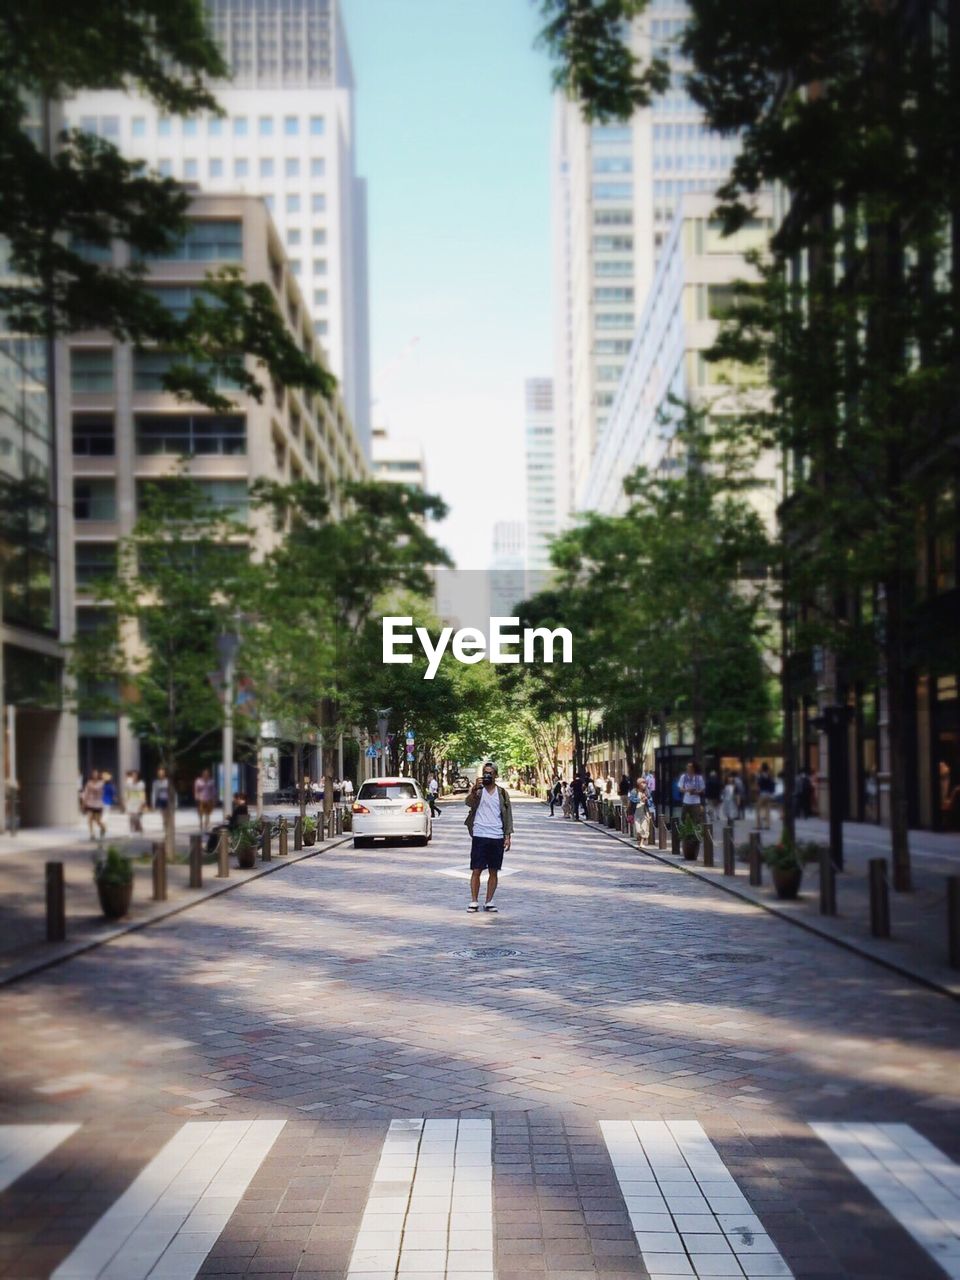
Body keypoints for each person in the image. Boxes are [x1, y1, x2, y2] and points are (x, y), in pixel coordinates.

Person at [463, 762, 513, 913]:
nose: (487, 776)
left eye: (490, 773)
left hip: (496, 834)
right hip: (480, 833)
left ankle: (489, 901)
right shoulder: (478, 791)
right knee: (476, 869)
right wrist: (473, 790)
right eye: (485, 772)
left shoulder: (502, 793)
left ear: (496, 775)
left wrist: (507, 835)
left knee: (493, 870)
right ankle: (473, 901)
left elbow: (508, 815)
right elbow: (468, 803)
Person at [81, 770, 106, 840]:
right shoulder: (89, 783)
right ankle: (92, 834)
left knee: (98, 821)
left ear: (98, 775)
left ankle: (103, 828)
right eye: (94, 774)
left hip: (98, 804)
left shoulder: (101, 783)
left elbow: (97, 789)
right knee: (89, 819)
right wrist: (83, 804)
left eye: (96, 774)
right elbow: (85, 793)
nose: (95, 775)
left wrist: (91, 786)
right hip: (90, 803)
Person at [194, 768, 216, 833]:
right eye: (205, 774)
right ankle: (201, 823)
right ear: (202, 774)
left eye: (207, 774)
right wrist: (196, 797)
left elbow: (213, 790)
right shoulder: (198, 781)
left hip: (209, 799)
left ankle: (206, 825)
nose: (206, 775)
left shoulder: (211, 781)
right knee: (200, 812)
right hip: (201, 799)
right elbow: (196, 790)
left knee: (207, 813)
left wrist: (214, 798)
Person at [124, 770, 146, 834]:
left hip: (138, 801)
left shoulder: (141, 784)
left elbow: (142, 793)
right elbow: (126, 792)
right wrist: (125, 800)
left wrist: (143, 802)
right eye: (133, 775)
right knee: (131, 817)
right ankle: (131, 830)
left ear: (138, 776)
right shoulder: (128, 782)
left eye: (135, 775)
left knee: (136, 817)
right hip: (130, 801)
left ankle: (139, 828)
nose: (134, 777)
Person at [756, 762, 775, 830]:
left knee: (758, 809)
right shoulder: (770, 776)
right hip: (769, 794)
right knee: (767, 810)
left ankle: (759, 825)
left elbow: (758, 785)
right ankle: (767, 825)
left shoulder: (760, 776)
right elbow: (773, 784)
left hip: (762, 794)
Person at [635, 777, 652, 845]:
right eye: (643, 783)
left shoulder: (647, 792)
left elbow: (651, 803)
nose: (644, 784)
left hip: (645, 812)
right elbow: (632, 799)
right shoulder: (635, 791)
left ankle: (641, 843)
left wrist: (646, 800)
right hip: (636, 812)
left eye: (645, 783)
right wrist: (639, 800)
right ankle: (639, 840)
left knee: (644, 828)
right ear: (639, 784)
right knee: (638, 829)